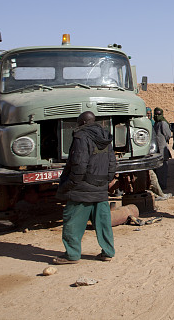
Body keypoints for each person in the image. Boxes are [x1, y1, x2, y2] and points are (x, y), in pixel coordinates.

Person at [53, 111, 116, 264]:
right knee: (103, 223)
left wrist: (70, 184)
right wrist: (106, 180)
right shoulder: (105, 137)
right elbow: (112, 162)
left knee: (72, 221)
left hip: (82, 188)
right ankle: (108, 252)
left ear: (81, 123)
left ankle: (72, 255)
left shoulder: (81, 137)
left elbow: (79, 164)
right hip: (100, 187)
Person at [152, 107, 173, 194]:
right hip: (156, 150)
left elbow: (168, 135)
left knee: (163, 168)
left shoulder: (163, 123)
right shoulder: (156, 123)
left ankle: (163, 185)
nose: (157, 116)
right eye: (156, 114)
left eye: (158, 114)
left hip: (162, 149)